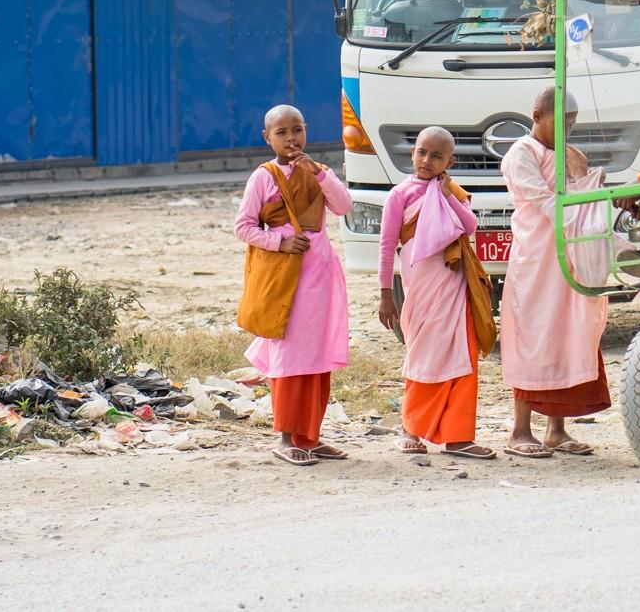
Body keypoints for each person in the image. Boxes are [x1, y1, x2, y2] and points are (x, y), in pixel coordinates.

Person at [234, 105, 353, 467]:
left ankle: (310, 437)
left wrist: (317, 173)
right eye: (282, 132)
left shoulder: (318, 172)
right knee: (289, 356)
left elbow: (344, 206)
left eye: (297, 130)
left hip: (320, 275)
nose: (291, 138)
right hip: (284, 278)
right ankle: (286, 437)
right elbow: (243, 227)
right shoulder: (264, 177)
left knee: (317, 356)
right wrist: (281, 243)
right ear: (267, 137)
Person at [498, 87, 609, 458]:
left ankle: (556, 431)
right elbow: (548, 202)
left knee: (568, 333)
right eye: (562, 121)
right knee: (534, 339)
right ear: (537, 115)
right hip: (536, 261)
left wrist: (591, 183)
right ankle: (519, 431)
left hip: (569, 258)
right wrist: (585, 196)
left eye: (573, 123)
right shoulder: (520, 154)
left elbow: (584, 196)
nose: (568, 130)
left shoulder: (570, 154)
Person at [377, 126, 498, 460]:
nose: (426, 161)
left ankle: (458, 437)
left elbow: (470, 226)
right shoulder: (399, 195)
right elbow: (387, 246)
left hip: (453, 284)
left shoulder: (450, 191)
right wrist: (385, 292)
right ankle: (411, 429)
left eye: (436, 156)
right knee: (425, 353)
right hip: (421, 284)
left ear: (450, 161)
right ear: (413, 153)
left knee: (462, 351)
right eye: (421, 152)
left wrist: (445, 194)